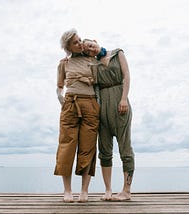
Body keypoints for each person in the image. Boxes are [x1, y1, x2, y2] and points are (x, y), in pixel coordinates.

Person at [82, 39, 135, 201]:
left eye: (91, 45)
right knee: (104, 152)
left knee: (125, 149)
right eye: (87, 50)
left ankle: (126, 191)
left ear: (95, 41)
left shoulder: (117, 53)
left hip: (121, 106)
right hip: (102, 109)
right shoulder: (93, 65)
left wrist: (124, 98)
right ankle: (108, 190)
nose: (91, 49)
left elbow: (126, 76)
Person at [54, 29, 100, 203]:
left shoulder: (92, 60)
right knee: (66, 146)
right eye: (75, 42)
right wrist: (62, 100)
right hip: (70, 104)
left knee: (87, 147)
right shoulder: (63, 63)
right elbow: (59, 87)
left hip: (90, 104)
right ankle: (67, 191)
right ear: (68, 47)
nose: (80, 43)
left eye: (80, 39)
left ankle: (84, 191)